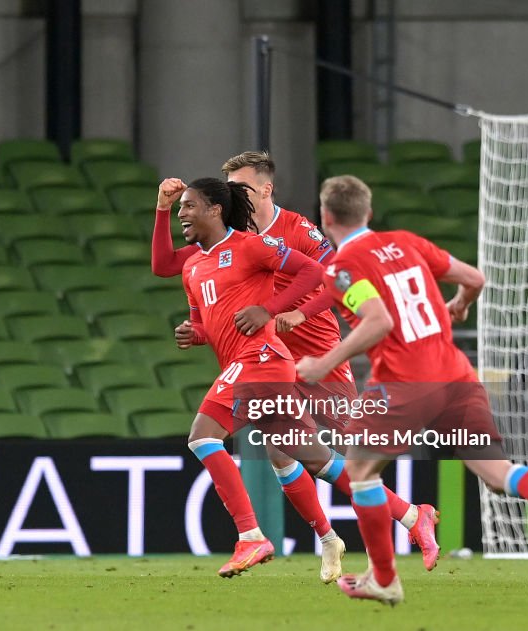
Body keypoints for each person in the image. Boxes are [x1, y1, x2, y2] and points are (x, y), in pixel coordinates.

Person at [295, 175, 528, 605]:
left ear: (326, 216)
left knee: (359, 473)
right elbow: (474, 277)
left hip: (406, 381)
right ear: (369, 213)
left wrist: (323, 363)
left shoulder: (342, 267)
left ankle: (385, 578)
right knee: (498, 473)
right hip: (455, 375)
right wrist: (460, 303)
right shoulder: (407, 242)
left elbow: (379, 321)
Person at [152, 152, 440, 580]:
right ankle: (344, 534)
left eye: (243, 185)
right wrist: (201, 331)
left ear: (265, 189)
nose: (237, 192)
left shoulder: (291, 232)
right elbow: (168, 268)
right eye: (231, 185)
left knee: (350, 448)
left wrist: (284, 312)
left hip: (314, 356)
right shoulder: (208, 250)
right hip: (269, 356)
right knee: (294, 455)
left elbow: (330, 278)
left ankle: (261, 536)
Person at [161, 176, 330, 578]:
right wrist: (194, 333)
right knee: (314, 460)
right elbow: (204, 322)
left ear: (215, 209)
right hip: (246, 360)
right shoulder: (195, 266)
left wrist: (269, 309)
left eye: (188, 206)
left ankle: (251, 536)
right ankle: (410, 514)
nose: (181, 214)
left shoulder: (251, 245)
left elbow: (313, 273)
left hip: (262, 357)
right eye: (179, 207)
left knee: (203, 436)